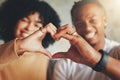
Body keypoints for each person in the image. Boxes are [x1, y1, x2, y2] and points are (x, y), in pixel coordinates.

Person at [52, 0, 120, 80]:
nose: (87, 28)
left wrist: (94, 59)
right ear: (75, 27)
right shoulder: (65, 63)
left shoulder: (117, 51)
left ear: (104, 21)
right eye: (80, 24)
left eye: (92, 20)